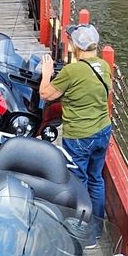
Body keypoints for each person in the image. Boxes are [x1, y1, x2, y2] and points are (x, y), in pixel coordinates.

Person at [38, 24, 112, 234]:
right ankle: (97, 228)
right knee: (96, 179)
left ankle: (79, 229)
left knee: (78, 182)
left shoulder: (71, 71)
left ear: (75, 46)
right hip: (103, 130)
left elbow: (46, 94)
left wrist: (46, 73)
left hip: (80, 135)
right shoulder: (104, 66)